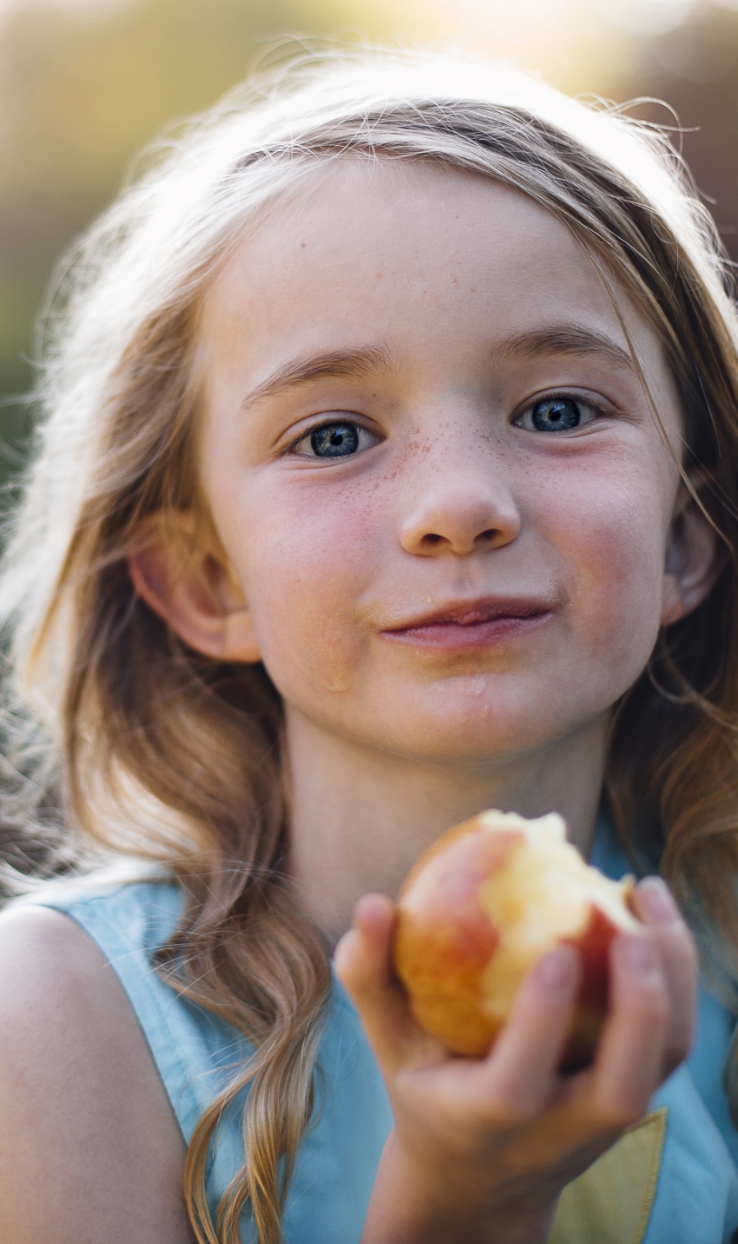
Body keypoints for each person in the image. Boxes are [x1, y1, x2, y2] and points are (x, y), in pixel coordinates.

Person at [0, 47, 735, 1244]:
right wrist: (465, 1210)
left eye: (557, 409)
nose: (459, 502)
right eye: (335, 433)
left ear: (687, 539)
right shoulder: (59, 1024)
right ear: (206, 580)